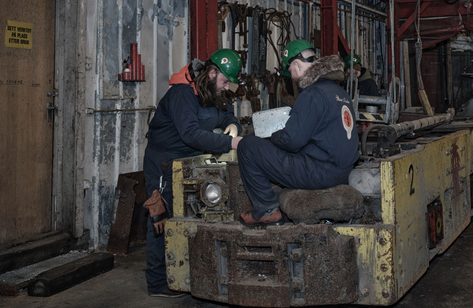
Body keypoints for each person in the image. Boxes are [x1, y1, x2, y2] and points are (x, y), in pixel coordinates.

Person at [143, 49, 243, 297]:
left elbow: (226, 113)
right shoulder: (182, 94)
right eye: (224, 81)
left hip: (192, 160)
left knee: (193, 216)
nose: (226, 87)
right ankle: (157, 283)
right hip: (165, 163)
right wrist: (230, 144)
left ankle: (187, 271)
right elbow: (190, 133)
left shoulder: (210, 91)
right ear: (211, 73)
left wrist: (232, 124)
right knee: (161, 218)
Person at [236, 40, 360, 226]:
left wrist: (273, 136)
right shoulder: (338, 92)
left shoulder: (312, 94)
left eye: (290, 72)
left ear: (296, 64)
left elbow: (291, 141)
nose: (292, 77)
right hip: (341, 172)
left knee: (248, 146)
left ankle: (266, 210)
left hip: (319, 173)